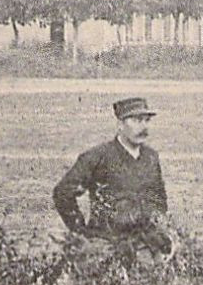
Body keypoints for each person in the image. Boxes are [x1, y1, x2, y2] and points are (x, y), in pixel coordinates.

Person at [53, 96, 173, 256]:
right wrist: (81, 232)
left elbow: (159, 198)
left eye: (146, 120)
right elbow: (63, 192)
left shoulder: (151, 157)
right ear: (120, 125)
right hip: (107, 244)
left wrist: (160, 230)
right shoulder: (97, 157)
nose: (144, 127)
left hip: (145, 244)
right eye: (137, 120)